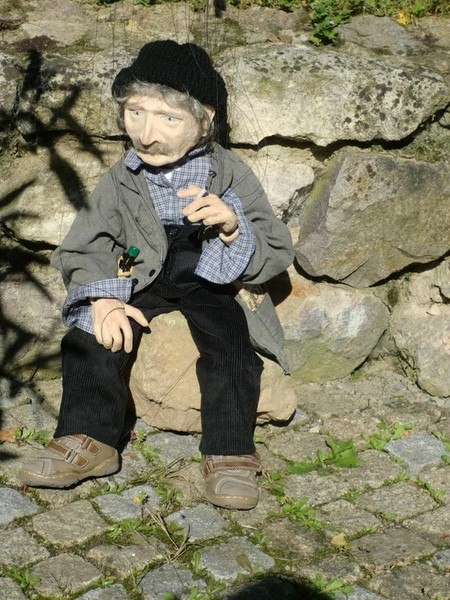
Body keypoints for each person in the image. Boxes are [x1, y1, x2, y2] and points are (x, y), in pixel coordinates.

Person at [19, 40, 294, 510]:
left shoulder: (229, 172)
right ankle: (89, 439)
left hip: (208, 274)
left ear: (205, 119)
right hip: (140, 272)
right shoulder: (122, 177)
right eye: (136, 113)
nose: (146, 135)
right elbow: (85, 243)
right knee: (92, 336)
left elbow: (276, 249)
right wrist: (103, 298)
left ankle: (230, 450)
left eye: (168, 118)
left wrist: (233, 228)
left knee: (230, 340)